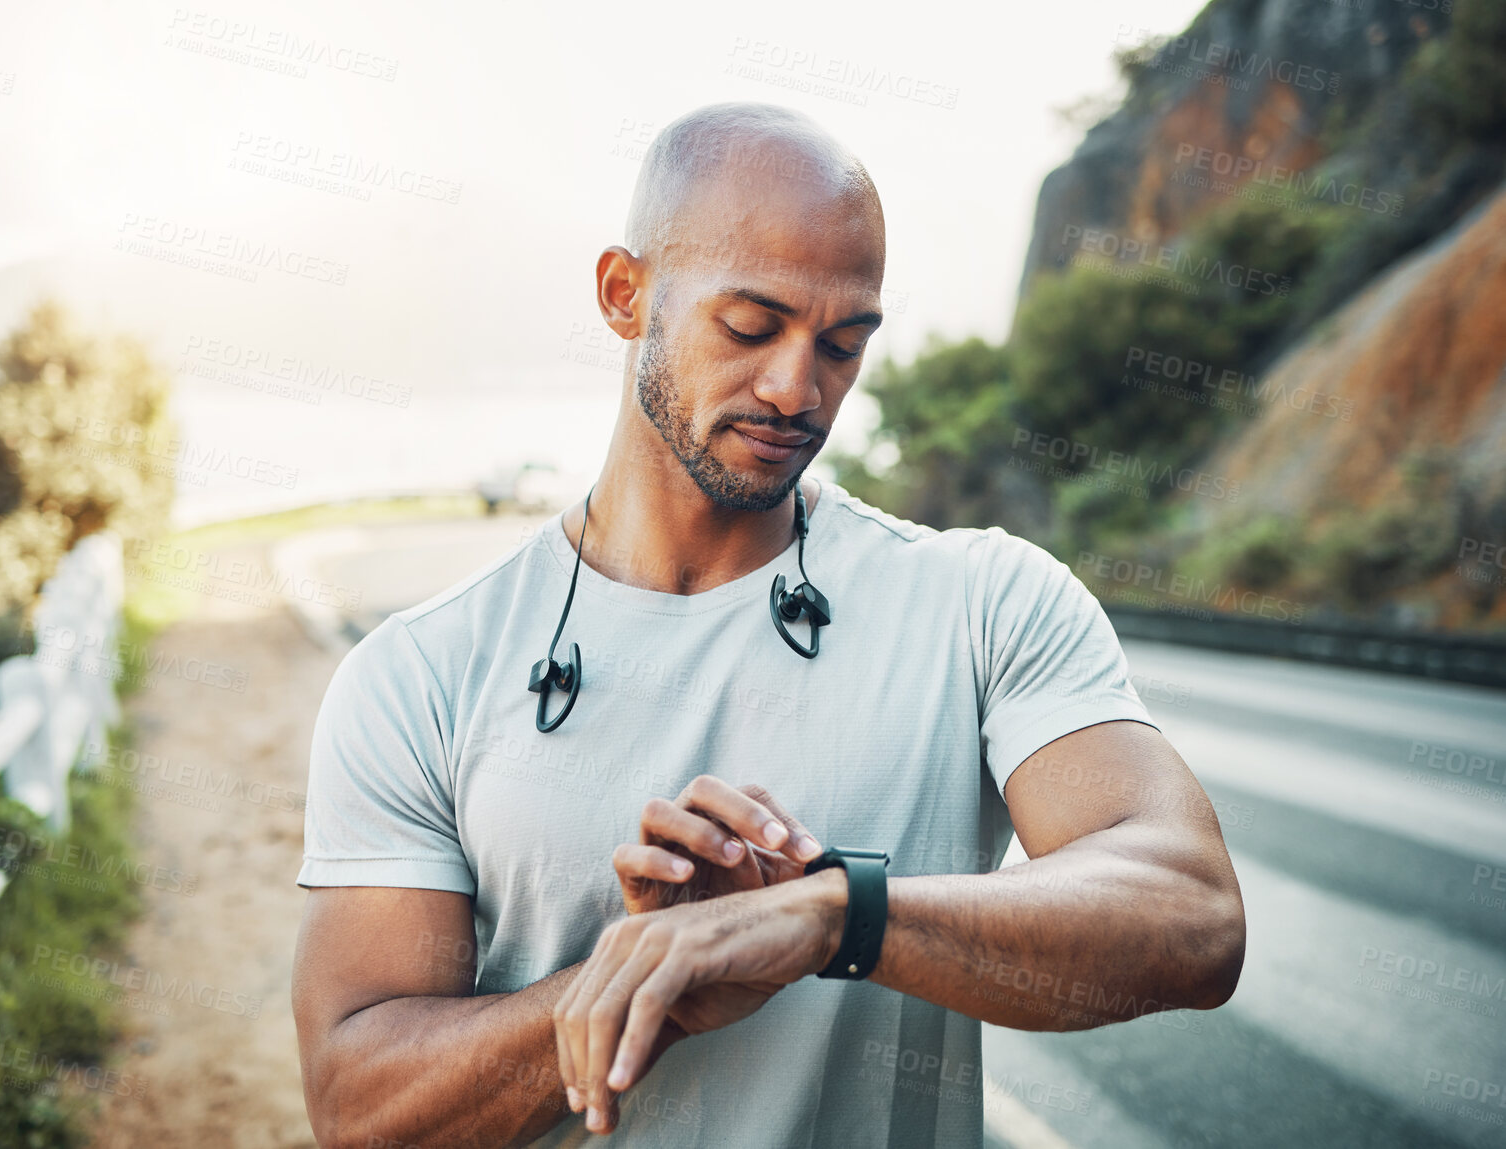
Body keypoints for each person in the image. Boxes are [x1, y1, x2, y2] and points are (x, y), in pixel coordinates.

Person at [291, 101, 1245, 1148]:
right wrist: (648, 990)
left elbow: (1192, 917)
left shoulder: (985, 600)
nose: (799, 387)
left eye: (844, 343)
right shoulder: (419, 672)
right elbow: (356, 1106)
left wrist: (829, 919)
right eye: (750, 327)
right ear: (625, 294)